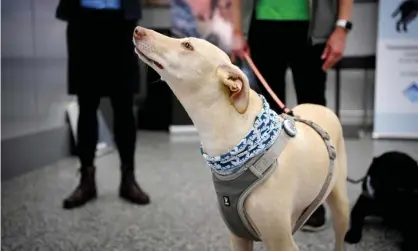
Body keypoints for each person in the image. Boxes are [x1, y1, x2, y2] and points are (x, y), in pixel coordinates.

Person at [231, 0, 353, 231]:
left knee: (314, 115)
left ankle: (313, 202)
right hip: (263, 26)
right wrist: (237, 29)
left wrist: (341, 28)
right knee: (267, 118)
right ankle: (272, 198)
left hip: (313, 30)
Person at [56, 0, 150, 209]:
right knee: (87, 104)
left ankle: (128, 179)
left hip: (121, 21)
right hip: (83, 20)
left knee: (124, 104)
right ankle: (86, 180)